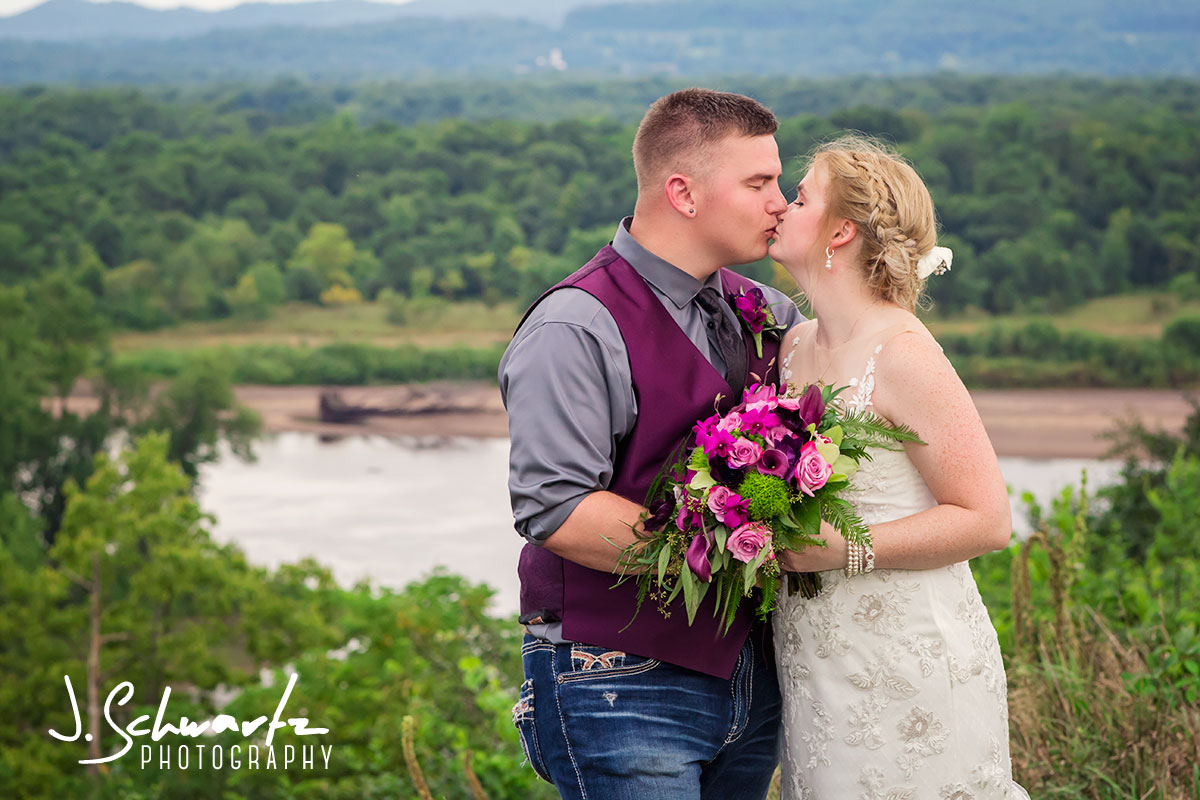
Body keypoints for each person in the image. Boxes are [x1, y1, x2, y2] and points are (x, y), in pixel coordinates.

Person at [499, 88, 805, 799]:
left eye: (780, 182)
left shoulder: (770, 312)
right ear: (683, 193)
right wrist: (729, 549)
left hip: (753, 678)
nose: (781, 202)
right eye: (759, 183)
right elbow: (557, 509)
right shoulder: (574, 327)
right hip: (617, 675)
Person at [768, 134, 1030, 799]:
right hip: (815, 654)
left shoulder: (905, 352)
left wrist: (845, 551)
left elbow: (988, 520)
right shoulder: (792, 347)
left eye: (799, 198)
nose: (779, 207)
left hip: (910, 654)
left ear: (841, 231)